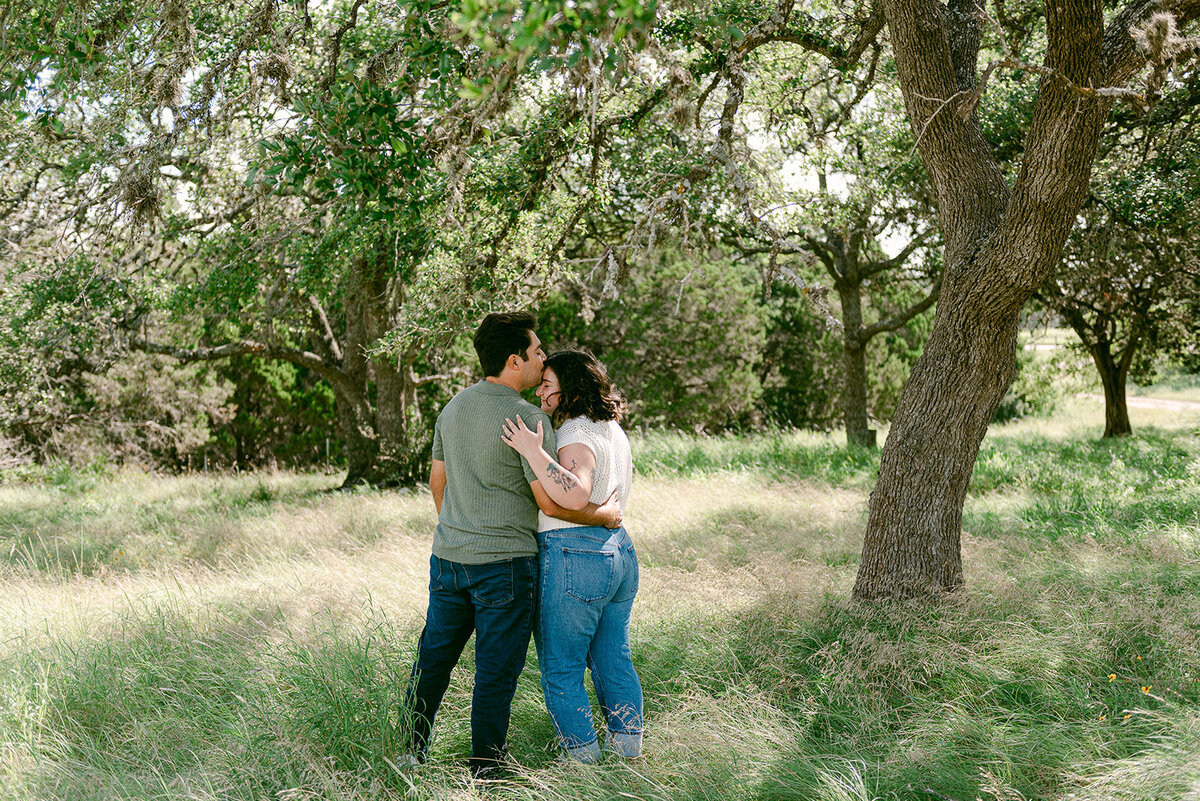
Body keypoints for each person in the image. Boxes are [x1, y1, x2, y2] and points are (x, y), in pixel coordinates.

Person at [401, 313, 618, 779]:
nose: (544, 359)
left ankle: (411, 752)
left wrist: (463, 527)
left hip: (449, 559)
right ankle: (487, 772)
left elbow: (437, 483)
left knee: (433, 660)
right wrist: (603, 514)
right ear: (514, 360)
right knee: (495, 673)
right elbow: (552, 503)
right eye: (538, 352)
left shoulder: (452, 408)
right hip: (505, 566)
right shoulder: (528, 417)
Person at [501, 349, 643, 764]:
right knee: (613, 658)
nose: (541, 393)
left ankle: (583, 765)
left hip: (576, 553)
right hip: (618, 552)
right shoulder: (612, 428)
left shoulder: (575, 432)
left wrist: (533, 450)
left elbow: (575, 492)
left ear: (571, 391)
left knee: (561, 669)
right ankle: (626, 754)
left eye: (547, 385)